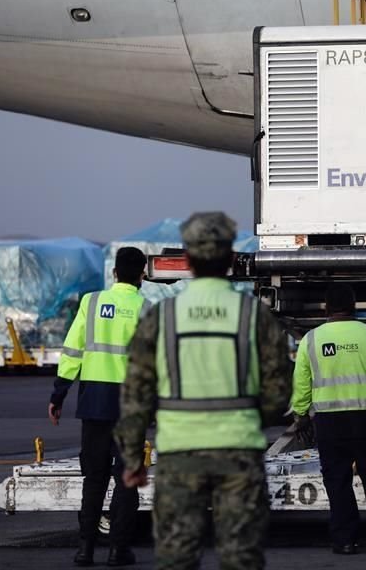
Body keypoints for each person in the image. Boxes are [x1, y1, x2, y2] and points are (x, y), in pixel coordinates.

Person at [114, 212, 292, 570]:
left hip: (180, 453)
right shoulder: (252, 315)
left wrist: (133, 459)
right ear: (229, 259)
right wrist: (248, 419)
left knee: (177, 557)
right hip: (238, 452)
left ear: (189, 259)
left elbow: (136, 394)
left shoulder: (162, 316)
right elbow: (279, 392)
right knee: (240, 556)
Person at [49, 246, 148, 567]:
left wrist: (58, 394)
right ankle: (119, 550)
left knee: (94, 479)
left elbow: (72, 351)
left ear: (115, 273)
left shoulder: (91, 303)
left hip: (94, 404)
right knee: (126, 479)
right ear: (142, 276)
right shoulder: (146, 309)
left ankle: (85, 549)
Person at [292, 284, 366, 555]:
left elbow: (301, 383)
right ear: (354, 306)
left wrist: (300, 414)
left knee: (338, 481)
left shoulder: (310, 340)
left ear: (326, 307)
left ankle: (344, 540)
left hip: (329, 422)